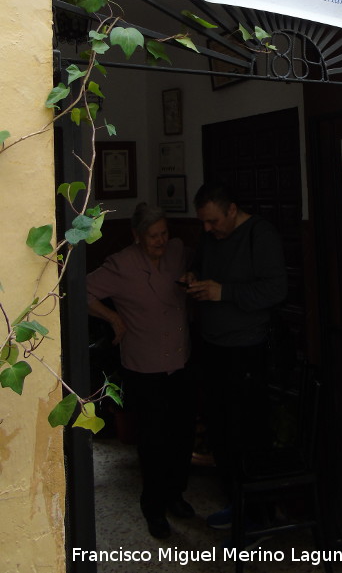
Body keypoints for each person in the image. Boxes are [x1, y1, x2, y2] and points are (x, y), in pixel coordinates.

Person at [87, 202, 196, 540]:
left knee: (182, 435)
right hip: (144, 368)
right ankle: (154, 507)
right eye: (153, 236)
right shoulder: (121, 265)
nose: (160, 241)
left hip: (180, 362)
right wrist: (113, 318)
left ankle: (176, 495)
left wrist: (192, 279)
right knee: (153, 441)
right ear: (137, 236)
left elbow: (192, 269)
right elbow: (82, 291)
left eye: (164, 233)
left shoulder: (177, 251)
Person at [183, 182, 288, 529]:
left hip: (247, 351)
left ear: (232, 210)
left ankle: (258, 514)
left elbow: (276, 289)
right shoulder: (210, 237)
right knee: (221, 431)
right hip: (212, 347)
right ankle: (236, 503)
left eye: (213, 220)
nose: (207, 228)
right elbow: (201, 267)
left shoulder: (260, 235)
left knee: (248, 434)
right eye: (203, 221)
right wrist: (193, 278)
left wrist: (223, 292)